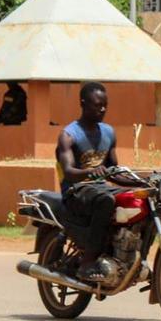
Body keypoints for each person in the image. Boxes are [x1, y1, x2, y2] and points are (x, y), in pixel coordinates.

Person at [56, 81, 120, 281]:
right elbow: (68, 172)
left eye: (105, 105)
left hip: (100, 189)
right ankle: (87, 263)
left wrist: (145, 181)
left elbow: (113, 170)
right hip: (76, 191)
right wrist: (90, 172)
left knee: (138, 200)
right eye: (97, 104)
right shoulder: (69, 135)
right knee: (106, 201)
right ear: (83, 103)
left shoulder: (109, 132)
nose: (102, 109)